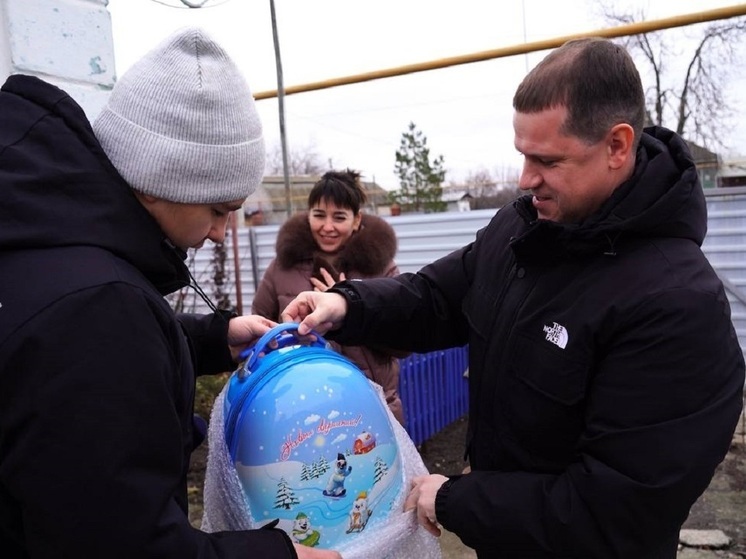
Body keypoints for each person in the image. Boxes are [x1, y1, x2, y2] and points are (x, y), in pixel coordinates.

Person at [280, 37, 746, 558]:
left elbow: (615, 509)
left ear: (617, 146)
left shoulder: (677, 305)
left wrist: (457, 500)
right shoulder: (524, 230)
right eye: (523, 155)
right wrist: (347, 306)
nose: (526, 180)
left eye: (547, 160)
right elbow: (436, 297)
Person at [0, 27, 340, 559]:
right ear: (162, 179)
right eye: (217, 209)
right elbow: (120, 546)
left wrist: (209, 338)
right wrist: (279, 555)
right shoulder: (98, 309)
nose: (222, 232)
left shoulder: (41, 236)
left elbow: (59, 350)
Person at [252, 169, 406, 425]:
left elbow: (401, 342)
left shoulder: (381, 268)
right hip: (301, 410)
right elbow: (259, 331)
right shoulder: (282, 267)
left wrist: (352, 306)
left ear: (357, 220)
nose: (327, 227)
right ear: (308, 214)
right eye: (319, 215)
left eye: (339, 217)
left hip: (372, 407)